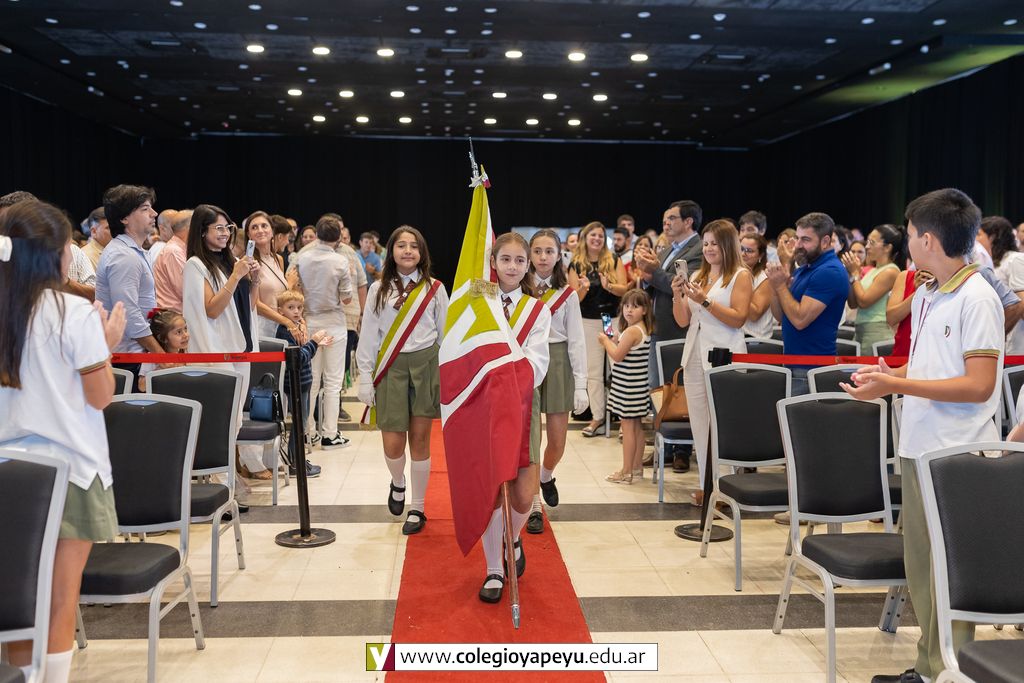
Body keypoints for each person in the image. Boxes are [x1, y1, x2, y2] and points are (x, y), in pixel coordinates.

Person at [841, 188, 1003, 683]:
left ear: (928, 239)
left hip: (957, 454)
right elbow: (930, 366)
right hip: (919, 445)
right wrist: (887, 376)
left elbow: (979, 385)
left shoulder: (978, 297)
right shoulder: (931, 290)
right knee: (922, 568)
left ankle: (952, 671)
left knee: (951, 572)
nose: (907, 241)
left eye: (910, 234)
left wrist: (896, 385)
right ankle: (931, 667)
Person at [1, 199, 126, 683]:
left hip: (8, 470)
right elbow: (100, 396)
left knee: (15, 599)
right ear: (56, 254)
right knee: (58, 597)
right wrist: (105, 347)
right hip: (69, 471)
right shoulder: (72, 312)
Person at [356, 226, 448, 535]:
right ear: (391, 251)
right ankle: (398, 482)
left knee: (420, 440)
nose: (408, 251)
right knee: (393, 443)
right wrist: (365, 377)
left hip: (426, 366)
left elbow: (445, 334)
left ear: (422, 253)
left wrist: (446, 375)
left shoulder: (435, 289)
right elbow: (369, 335)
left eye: (414, 246)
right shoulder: (378, 289)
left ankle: (418, 507)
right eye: (401, 245)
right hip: (391, 368)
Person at [477, 232, 551, 604]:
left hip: (522, 403)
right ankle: (493, 567)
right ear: (493, 262)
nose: (512, 266)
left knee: (523, 493)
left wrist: (508, 379)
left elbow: (538, 361)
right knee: (491, 487)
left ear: (527, 265)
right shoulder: (478, 302)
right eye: (505, 259)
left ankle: (513, 535)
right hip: (483, 405)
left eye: (519, 260)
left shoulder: (538, 309)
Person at [181, 204, 267, 479]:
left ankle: (229, 479)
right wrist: (236, 276)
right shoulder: (196, 265)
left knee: (236, 419)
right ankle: (222, 482)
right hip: (216, 351)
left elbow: (248, 306)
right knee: (220, 420)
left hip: (240, 348)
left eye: (227, 227)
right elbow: (212, 309)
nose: (225, 233)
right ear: (202, 231)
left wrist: (254, 281)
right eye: (218, 228)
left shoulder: (231, 260)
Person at [671, 220, 752, 505]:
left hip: (724, 354)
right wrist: (678, 295)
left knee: (722, 423)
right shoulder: (698, 274)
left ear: (728, 245)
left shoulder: (740, 275)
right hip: (695, 353)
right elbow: (683, 320)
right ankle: (708, 486)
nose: (708, 248)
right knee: (700, 423)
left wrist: (705, 301)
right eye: (705, 243)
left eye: (714, 243)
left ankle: (727, 488)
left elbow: (738, 318)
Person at [632, 200, 704, 472]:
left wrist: (653, 271)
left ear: (688, 222)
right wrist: (646, 274)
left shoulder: (697, 250)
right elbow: (655, 282)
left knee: (679, 389)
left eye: (672, 218)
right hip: (659, 327)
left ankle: (682, 450)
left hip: (678, 329)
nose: (666, 223)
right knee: (658, 390)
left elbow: (682, 286)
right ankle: (664, 447)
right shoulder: (668, 248)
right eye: (665, 218)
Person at [524, 229, 587, 534]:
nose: (543, 257)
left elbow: (577, 340)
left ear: (559, 255)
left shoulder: (567, 294)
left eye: (549, 251)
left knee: (558, 442)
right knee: (531, 440)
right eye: (537, 251)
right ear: (529, 255)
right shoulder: (519, 290)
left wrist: (582, 383)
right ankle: (534, 503)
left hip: (559, 361)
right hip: (528, 360)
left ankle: (546, 476)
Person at [765, 212, 849, 396]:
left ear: (825, 241)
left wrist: (780, 286)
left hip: (811, 370)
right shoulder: (805, 268)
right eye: (797, 238)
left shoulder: (830, 271)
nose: (798, 245)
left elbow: (799, 320)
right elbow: (781, 316)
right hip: (795, 365)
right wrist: (776, 283)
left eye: (805, 240)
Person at [291, 216, 354, 449]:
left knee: (312, 380)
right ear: (338, 238)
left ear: (317, 234)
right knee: (333, 382)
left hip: (309, 321)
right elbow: (347, 298)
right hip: (334, 322)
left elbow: (292, 288)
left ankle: (307, 433)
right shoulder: (340, 261)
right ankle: (330, 433)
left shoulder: (301, 257)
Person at [95, 184, 163, 391]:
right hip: (127, 357)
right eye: (145, 209)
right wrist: (160, 354)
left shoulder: (132, 252)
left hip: (135, 353)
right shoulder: (124, 256)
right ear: (124, 218)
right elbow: (128, 313)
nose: (154, 214)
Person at [569, 221, 628, 437]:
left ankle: (625, 419)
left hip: (609, 320)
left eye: (600, 236)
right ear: (585, 238)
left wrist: (608, 286)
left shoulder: (613, 260)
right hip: (588, 321)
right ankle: (597, 417)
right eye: (593, 235)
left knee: (618, 368)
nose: (597, 239)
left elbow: (624, 290)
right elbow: (573, 299)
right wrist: (583, 289)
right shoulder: (576, 264)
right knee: (593, 372)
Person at [599, 289, 653, 484]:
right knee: (637, 427)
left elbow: (617, 355)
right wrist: (614, 339)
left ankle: (626, 471)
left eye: (635, 306)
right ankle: (637, 467)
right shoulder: (641, 329)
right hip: (637, 386)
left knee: (628, 428)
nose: (629, 310)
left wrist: (605, 341)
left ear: (645, 310)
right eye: (626, 306)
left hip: (628, 388)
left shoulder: (631, 332)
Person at [275, 290, 330, 478]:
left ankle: (297, 460)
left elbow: (303, 354)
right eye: (291, 307)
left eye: (299, 307)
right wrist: (314, 342)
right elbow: (298, 358)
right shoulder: (285, 332)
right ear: (280, 311)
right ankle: (294, 463)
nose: (296, 311)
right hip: (296, 383)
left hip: (303, 382)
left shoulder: (297, 328)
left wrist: (316, 344)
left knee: (302, 422)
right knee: (300, 422)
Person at [842, 224, 905, 350]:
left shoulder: (890, 271)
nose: (867, 246)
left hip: (876, 332)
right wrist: (850, 275)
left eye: (872, 242)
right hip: (861, 330)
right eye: (867, 242)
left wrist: (855, 274)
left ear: (887, 247)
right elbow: (853, 304)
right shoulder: (872, 271)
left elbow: (864, 301)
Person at [245, 211, 300, 340]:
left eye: (264, 226)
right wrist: (286, 321)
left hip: (281, 326)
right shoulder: (247, 262)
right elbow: (254, 303)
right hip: (261, 328)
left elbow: (282, 298)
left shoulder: (278, 259)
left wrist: (298, 320)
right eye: (254, 227)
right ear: (249, 235)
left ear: (272, 231)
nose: (260, 230)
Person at [979, 215, 1024, 353]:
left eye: (979, 234)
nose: (975, 240)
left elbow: (1020, 304)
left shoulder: (1015, 259)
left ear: (993, 237)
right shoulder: (991, 263)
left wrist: (997, 334)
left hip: (1014, 349)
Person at [138, 308, 189, 391]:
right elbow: (142, 387)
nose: (185, 335)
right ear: (163, 338)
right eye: (179, 332)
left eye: (185, 329)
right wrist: (161, 369)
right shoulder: (151, 357)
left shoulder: (186, 353)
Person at [153, 209, 192, 311]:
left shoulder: (179, 249)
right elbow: (188, 292)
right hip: (174, 317)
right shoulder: (174, 252)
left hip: (178, 315)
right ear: (190, 228)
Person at [740, 233, 774, 338]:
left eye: (749, 251)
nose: (743, 254)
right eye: (741, 249)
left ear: (760, 255)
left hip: (754, 339)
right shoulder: (734, 274)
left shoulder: (765, 278)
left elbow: (754, 315)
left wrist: (736, 288)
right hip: (736, 336)